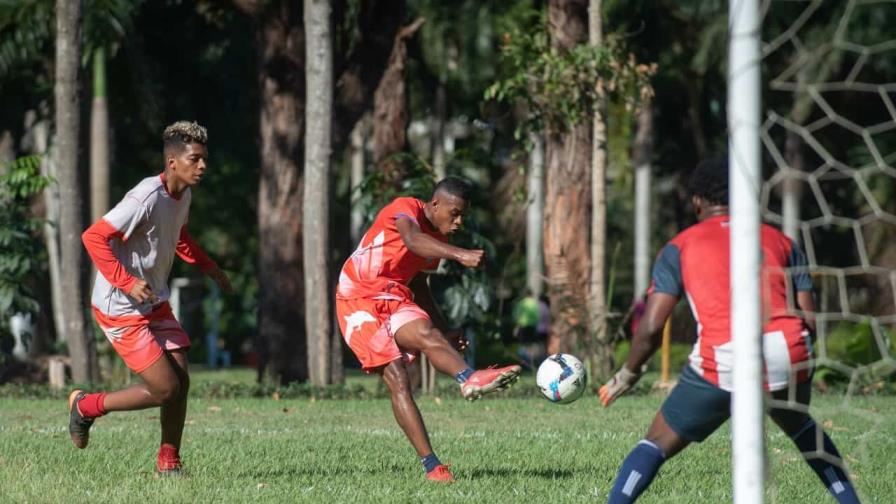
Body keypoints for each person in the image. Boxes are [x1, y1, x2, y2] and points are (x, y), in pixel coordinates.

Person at [599, 158, 861, 503]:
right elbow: (809, 320)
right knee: (803, 430)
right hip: (788, 350)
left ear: (697, 201)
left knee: (655, 442)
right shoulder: (780, 240)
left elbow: (651, 327)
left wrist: (627, 375)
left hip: (725, 355)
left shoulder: (680, 246)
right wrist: (797, 370)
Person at [69, 121, 233, 475]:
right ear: (173, 162)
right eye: (195, 159)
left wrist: (211, 268)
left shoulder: (184, 195)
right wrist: (127, 282)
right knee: (164, 389)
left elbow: (180, 236)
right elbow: (93, 237)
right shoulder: (143, 197)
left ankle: (169, 462)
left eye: (205, 159)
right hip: (120, 306)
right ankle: (86, 406)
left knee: (181, 381)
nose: (203, 166)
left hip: (153, 300)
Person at [335, 177, 522, 483]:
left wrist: (444, 329)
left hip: (393, 293)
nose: (459, 221)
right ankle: (433, 466)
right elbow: (412, 240)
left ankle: (468, 378)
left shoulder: (437, 241)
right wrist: (461, 254)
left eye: (463, 215)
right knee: (398, 378)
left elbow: (419, 282)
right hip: (357, 296)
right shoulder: (406, 208)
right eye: (455, 213)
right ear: (435, 204)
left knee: (428, 334)